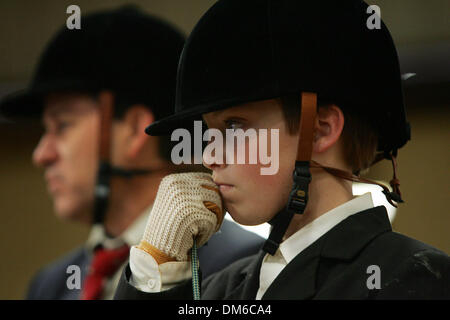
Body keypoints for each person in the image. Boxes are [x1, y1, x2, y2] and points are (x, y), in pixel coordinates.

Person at [114, 0, 450, 300]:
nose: (208, 156)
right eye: (208, 133)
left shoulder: (415, 280)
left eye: (234, 126)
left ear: (320, 131)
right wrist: (157, 270)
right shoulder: (222, 287)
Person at [0, 6, 263, 300]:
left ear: (135, 128)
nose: (41, 154)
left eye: (62, 125)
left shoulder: (243, 268)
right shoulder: (49, 286)